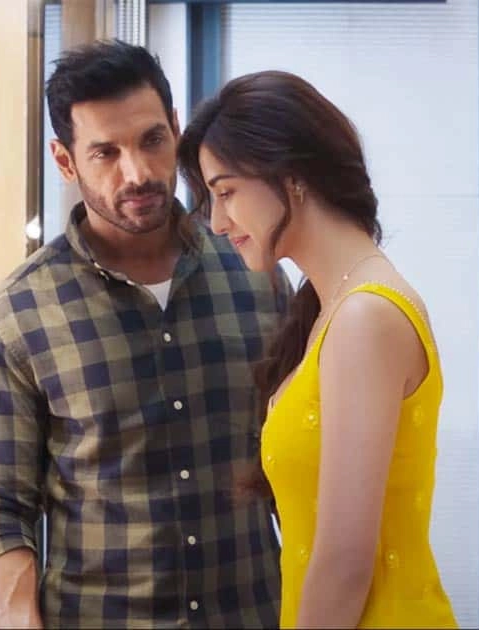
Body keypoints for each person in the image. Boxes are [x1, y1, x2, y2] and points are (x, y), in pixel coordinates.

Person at [0, 40, 286, 628]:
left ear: (177, 131)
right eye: (105, 153)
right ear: (65, 162)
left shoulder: (255, 273)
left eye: (152, 140)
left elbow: (301, 462)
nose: (137, 173)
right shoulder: (14, 315)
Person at [178, 70, 458, 629]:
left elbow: (344, 563)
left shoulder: (363, 317)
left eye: (226, 192)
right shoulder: (334, 308)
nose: (217, 222)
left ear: (293, 176)